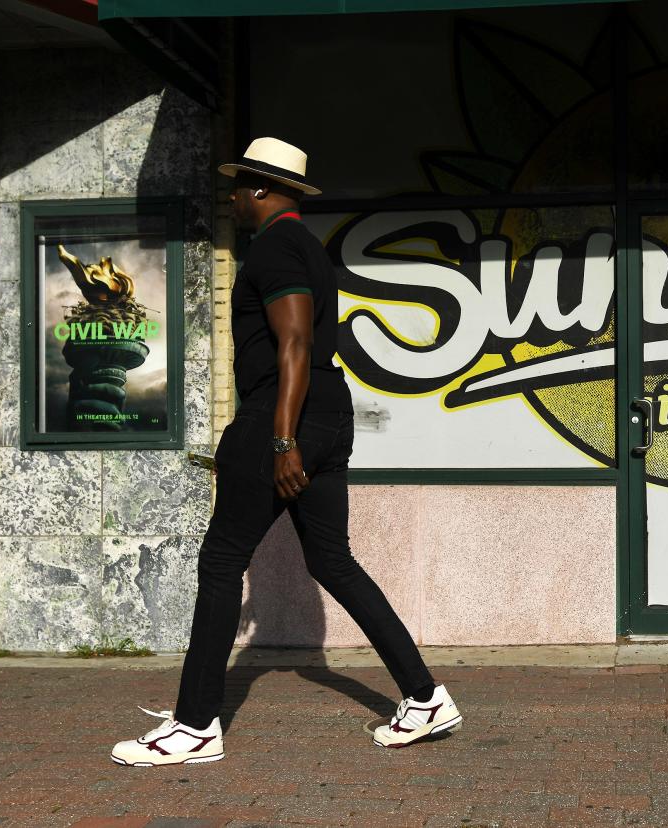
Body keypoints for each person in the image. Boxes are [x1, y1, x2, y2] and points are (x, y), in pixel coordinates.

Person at [111, 137, 461, 766]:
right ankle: (425, 696)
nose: (234, 198)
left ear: (263, 190)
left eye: (240, 188)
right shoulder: (308, 249)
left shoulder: (275, 248)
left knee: (220, 563)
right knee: (332, 561)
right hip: (328, 413)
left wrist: (280, 438)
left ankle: (193, 727)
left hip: (285, 415)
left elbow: (294, 342)